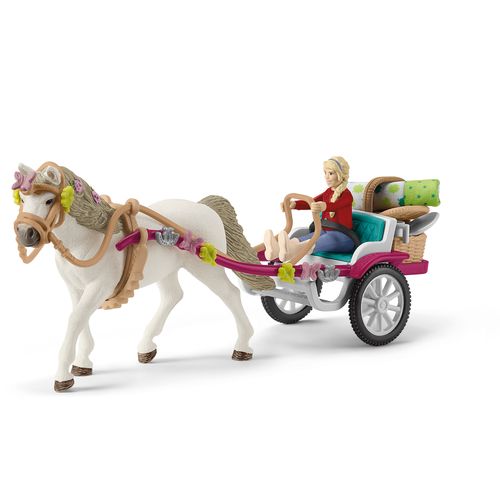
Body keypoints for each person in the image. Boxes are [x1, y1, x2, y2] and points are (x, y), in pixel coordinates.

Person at [264, 156, 355, 262]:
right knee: (310, 237)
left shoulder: (347, 195)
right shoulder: (328, 192)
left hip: (344, 237)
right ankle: (276, 250)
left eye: (330, 173)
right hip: (324, 231)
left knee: (325, 239)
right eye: (325, 173)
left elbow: (336, 205)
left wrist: (324, 206)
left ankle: (291, 251)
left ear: (340, 175)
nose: (326, 177)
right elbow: (312, 201)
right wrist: (294, 204)